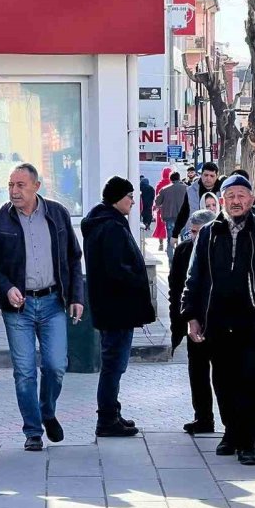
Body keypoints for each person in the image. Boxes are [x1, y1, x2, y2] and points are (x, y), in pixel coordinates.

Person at [182, 174, 255, 466]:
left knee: (252, 381)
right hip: (216, 320)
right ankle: (230, 432)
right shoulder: (207, 233)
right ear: (222, 200)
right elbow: (194, 278)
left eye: (242, 195)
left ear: (252, 199)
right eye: (230, 196)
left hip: (254, 322)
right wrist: (191, 316)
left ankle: (247, 442)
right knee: (223, 380)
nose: (236, 201)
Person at [0, 163, 85, 452]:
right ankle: (33, 431)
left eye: (20, 185)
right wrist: (6, 287)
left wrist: (77, 297)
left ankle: (47, 411)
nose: (14, 191)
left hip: (53, 302)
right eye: (10, 185)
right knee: (25, 371)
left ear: (36, 187)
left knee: (56, 366)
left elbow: (73, 258)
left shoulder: (57, 213)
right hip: (19, 307)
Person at [81, 177, 156, 437]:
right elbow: (118, 269)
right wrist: (137, 279)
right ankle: (107, 420)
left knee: (113, 364)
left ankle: (112, 413)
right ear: (117, 198)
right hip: (117, 309)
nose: (133, 201)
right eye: (129, 196)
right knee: (114, 365)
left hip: (111, 308)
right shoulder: (110, 226)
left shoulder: (102, 222)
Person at [169, 209, 218, 435]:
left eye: (200, 232)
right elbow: (176, 288)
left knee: (223, 375)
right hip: (194, 321)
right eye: (192, 232)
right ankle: (203, 418)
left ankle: (231, 422)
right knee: (197, 372)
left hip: (219, 322)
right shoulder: (184, 250)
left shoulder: (222, 249)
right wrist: (178, 322)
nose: (195, 236)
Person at [174, 161, 220, 238]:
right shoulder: (191, 190)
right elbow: (184, 212)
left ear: (217, 176)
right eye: (206, 175)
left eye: (212, 176)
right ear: (201, 175)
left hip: (217, 233)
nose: (208, 178)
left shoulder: (223, 191)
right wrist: (175, 234)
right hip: (195, 232)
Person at [153, 170, 188, 262]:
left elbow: (157, 203)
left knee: (170, 240)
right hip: (184, 217)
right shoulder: (187, 188)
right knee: (184, 238)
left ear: (170, 179)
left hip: (170, 216)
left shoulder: (164, 189)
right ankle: (183, 257)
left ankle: (171, 260)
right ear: (179, 178)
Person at [152, 167, 172, 251]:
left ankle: (161, 244)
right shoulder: (172, 184)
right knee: (170, 226)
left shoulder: (159, 184)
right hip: (170, 207)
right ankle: (169, 244)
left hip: (161, 208)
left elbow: (156, 197)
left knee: (160, 226)